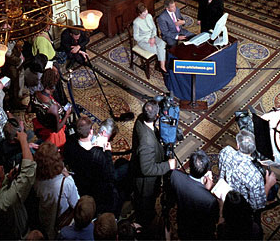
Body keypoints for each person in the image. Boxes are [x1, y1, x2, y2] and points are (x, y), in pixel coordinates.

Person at [0, 129, 36, 240]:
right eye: (2, 174)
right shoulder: (5, 203)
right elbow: (28, 170)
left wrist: (7, 180)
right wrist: (23, 140)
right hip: (20, 235)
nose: (3, 168)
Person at [130, 100, 176, 230]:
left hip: (144, 163)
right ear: (157, 116)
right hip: (146, 183)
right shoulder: (147, 143)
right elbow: (146, 169)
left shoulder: (140, 118)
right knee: (146, 204)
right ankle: (144, 223)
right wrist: (168, 166)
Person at [63, 115, 121, 216]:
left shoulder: (70, 145)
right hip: (96, 189)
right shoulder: (98, 155)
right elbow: (111, 176)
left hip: (79, 181)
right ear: (91, 131)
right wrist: (107, 152)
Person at [219, 129, 277, 211]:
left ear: (238, 145)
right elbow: (258, 205)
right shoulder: (254, 175)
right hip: (241, 207)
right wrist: (268, 184)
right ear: (254, 148)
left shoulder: (225, 151)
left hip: (223, 192)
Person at [34, 142, 79, 240]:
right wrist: (69, 178)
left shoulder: (36, 180)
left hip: (45, 222)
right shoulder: (66, 183)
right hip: (62, 226)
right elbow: (77, 204)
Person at [170, 149, 219, 240]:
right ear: (206, 172)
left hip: (182, 223)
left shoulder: (175, 176)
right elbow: (215, 219)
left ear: (189, 165)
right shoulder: (210, 200)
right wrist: (209, 190)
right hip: (201, 232)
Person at [31, 67, 72, 149]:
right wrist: (66, 115)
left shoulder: (36, 94)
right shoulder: (53, 107)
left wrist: (42, 110)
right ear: (54, 83)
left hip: (40, 123)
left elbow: (29, 110)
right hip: (52, 133)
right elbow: (57, 129)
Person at [133, 3, 167, 72]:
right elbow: (136, 37)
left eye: (146, 11)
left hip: (153, 37)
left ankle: (160, 64)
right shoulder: (136, 22)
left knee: (162, 44)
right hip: (143, 41)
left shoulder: (149, 16)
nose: (146, 13)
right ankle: (162, 66)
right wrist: (148, 40)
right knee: (158, 50)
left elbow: (154, 28)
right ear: (139, 13)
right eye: (144, 13)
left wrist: (153, 37)